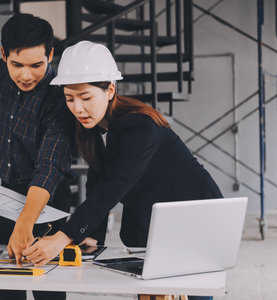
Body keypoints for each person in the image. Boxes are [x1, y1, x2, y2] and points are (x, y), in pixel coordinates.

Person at [22, 41, 222, 300]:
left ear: (109, 90)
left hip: (197, 223)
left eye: (85, 97)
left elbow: (114, 185)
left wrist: (63, 237)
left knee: (192, 295)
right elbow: (97, 182)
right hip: (156, 226)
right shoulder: (93, 129)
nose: (77, 108)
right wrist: (92, 235)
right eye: (69, 98)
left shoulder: (139, 126)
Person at [0, 14, 74, 300]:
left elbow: (50, 167)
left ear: (50, 54)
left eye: (37, 65)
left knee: (47, 288)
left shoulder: (60, 94)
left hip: (49, 199)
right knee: (6, 287)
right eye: (17, 65)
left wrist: (25, 224)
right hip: (6, 195)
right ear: (4, 55)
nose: (27, 75)